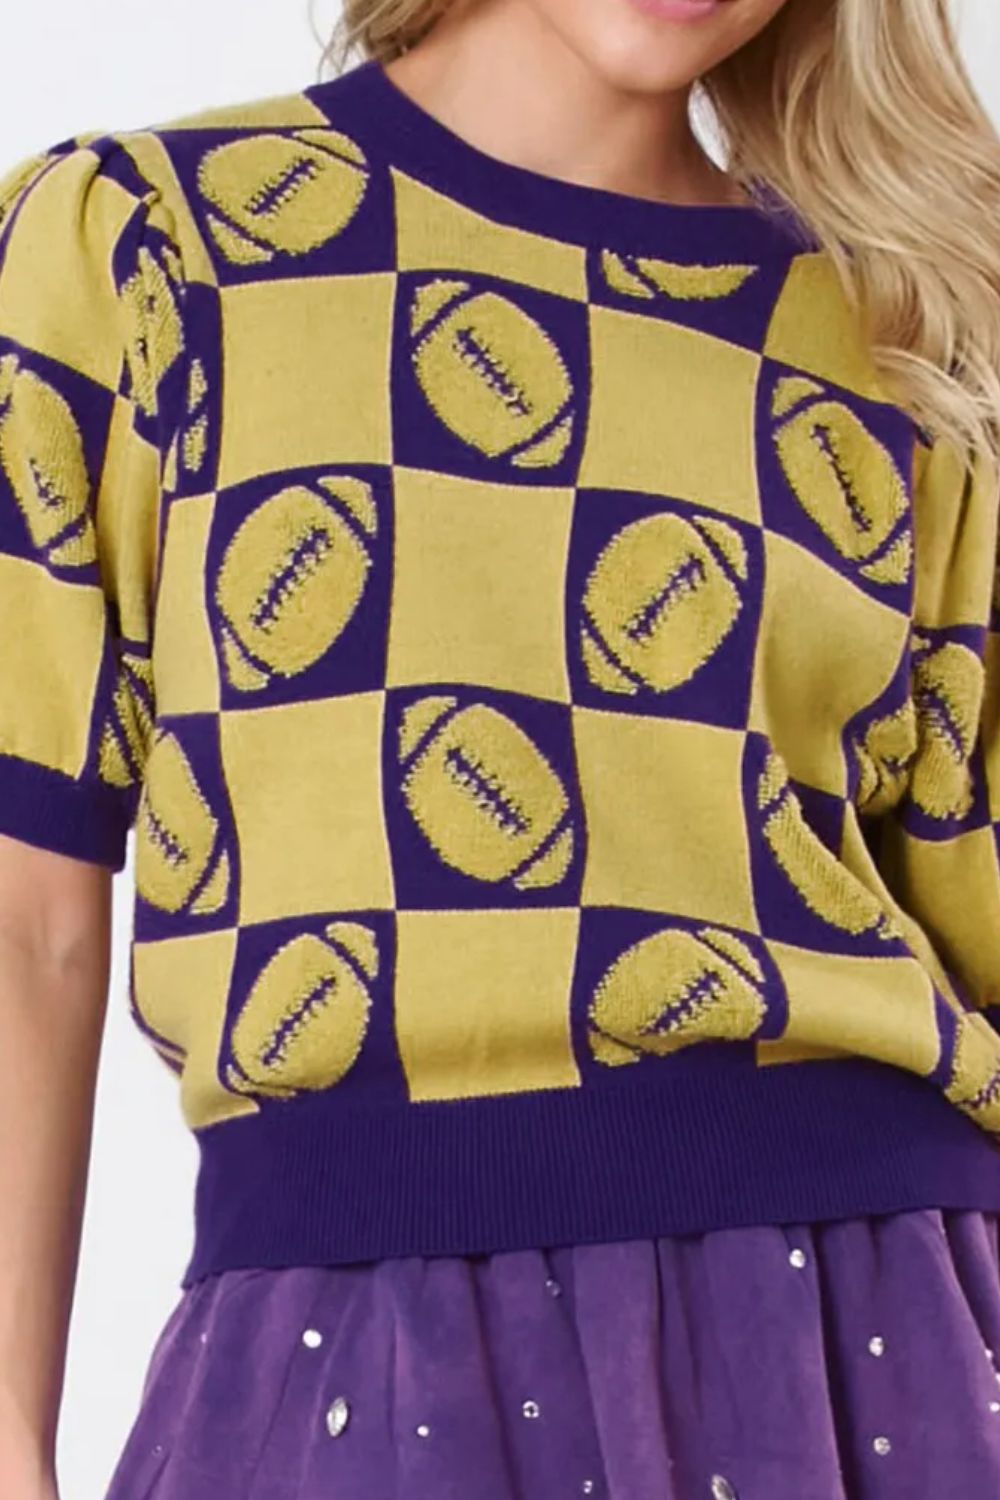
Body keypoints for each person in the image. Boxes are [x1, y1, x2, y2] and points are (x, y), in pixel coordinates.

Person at [4, 0, 1000, 1495]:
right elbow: (27, 916)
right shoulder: (147, 247)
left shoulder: (906, 325)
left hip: (868, 1340)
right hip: (345, 1329)